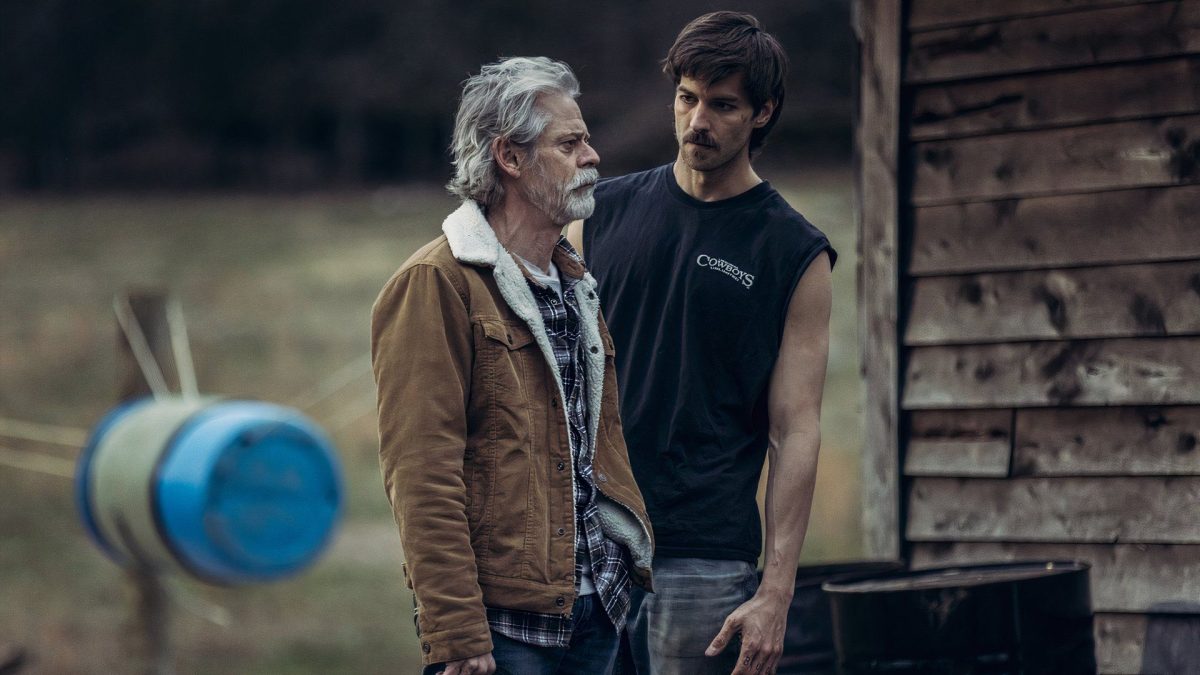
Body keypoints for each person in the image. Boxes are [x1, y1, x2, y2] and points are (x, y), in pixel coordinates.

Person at [567, 12, 836, 675]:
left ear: (762, 112)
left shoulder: (793, 251)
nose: (698, 121)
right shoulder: (601, 213)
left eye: (723, 105)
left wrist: (775, 593)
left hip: (704, 556)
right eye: (687, 97)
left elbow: (795, 430)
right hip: (589, 544)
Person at [372, 56, 654, 675]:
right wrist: (456, 633)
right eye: (570, 142)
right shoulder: (436, 283)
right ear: (510, 157)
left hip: (600, 614)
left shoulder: (574, 280)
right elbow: (422, 475)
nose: (593, 156)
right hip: (506, 635)